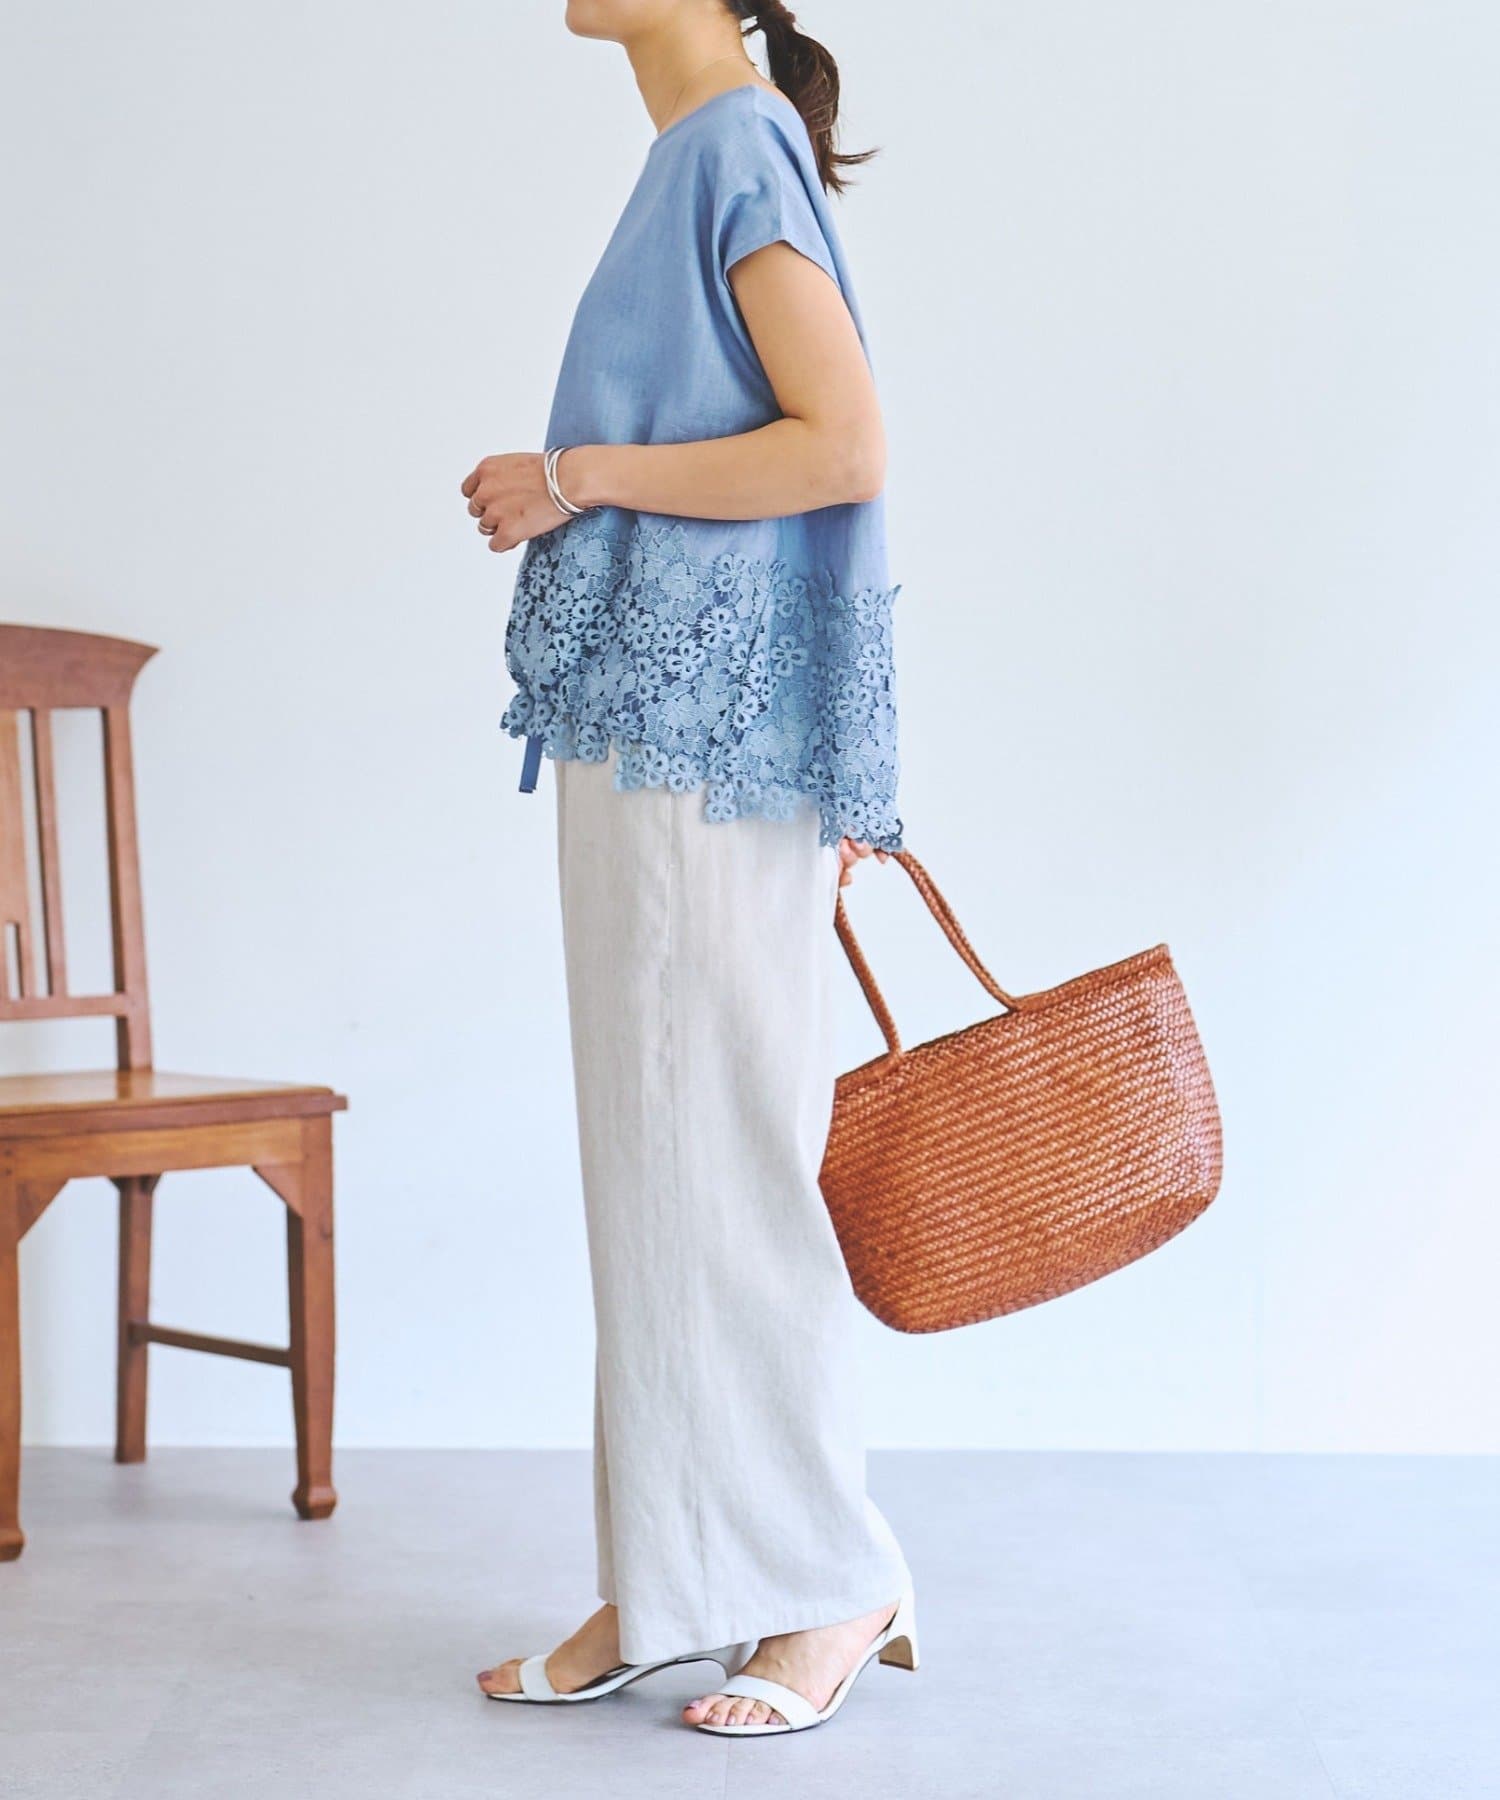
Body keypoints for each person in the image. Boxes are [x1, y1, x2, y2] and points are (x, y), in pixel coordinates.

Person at [460, 0, 915, 1738]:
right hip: (664, 735)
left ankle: (827, 1578)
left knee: (720, 1159)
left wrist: (569, 478)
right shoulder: (698, 150)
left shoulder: (732, 141)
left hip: (699, 747)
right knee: (660, 1171)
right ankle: (673, 1578)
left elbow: (841, 443)